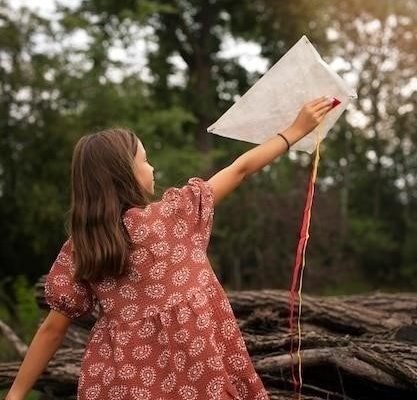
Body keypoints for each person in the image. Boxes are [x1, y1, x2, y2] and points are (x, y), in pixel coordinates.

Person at [4, 96, 334, 400]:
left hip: (119, 383)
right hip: (198, 375)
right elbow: (240, 169)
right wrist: (294, 131)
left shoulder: (82, 247)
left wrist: (16, 394)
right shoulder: (174, 215)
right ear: (125, 174)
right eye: (145, 160)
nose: (152, 168)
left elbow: (51, 330)